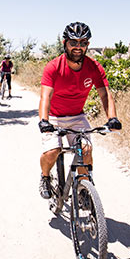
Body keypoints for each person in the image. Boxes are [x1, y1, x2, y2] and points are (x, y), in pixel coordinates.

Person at [37, 22, 121, 199]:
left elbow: (105, 95)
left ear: (88, 45)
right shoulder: (53, 67)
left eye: (83, 43)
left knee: (86, 150)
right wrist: (44, 121)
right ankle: (45, 177)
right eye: (73, 43)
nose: (78, 47)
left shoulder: (94, 67)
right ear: (64, 43)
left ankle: (83, 186)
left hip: (77, 117)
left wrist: (112, 118)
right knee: (53, 151)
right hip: (54, 117)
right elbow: (46, 97)